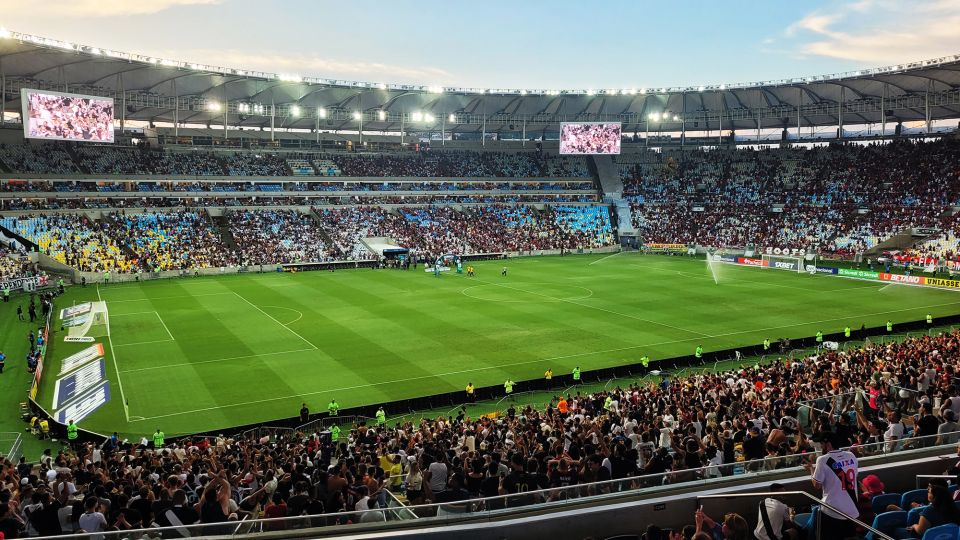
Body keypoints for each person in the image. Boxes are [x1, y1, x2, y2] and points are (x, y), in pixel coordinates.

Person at [802, 431, 859, 538]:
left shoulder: (823, 460)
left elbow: (817, 485)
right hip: (852, 509)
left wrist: (811, 469)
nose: (821, 447)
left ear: (828, 444)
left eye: (822, 444)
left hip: (832, 511)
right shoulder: (851, 456)